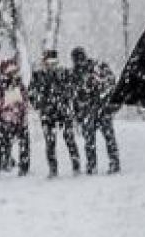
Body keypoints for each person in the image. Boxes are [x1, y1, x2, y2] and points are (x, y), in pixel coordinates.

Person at [30, 49, 81, 178]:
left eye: (54, 62)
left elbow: (73, 90)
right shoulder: (37, 75)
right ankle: (53, 169)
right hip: (48, 114)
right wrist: (39, 104)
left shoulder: (64, 73)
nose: (51, 64)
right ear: (44, 62)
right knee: (50, 143)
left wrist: (68, 101)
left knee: (69, 139)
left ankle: (76, 166)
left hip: (63, 111)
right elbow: (31, 94)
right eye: (48, 61)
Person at [71, 47, 121, 175]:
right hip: (93, 110)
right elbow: (74, 96)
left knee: (96, 140)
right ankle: (104, 164)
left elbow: (110, 83)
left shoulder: (94, 68)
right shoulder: (77, 73)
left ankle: (99, 165)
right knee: (97, 140)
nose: (78, 62)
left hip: (97, 109)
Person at [0, 58, 30, 177]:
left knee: (23, 142)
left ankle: (24, 167)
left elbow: (25, 99)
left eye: (15, 72)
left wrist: (22, 109)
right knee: (4, 145)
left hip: (18, 119)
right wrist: (3, 103)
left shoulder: (19, 84)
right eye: (11, 72)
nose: (14, 75)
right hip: (4, 120)